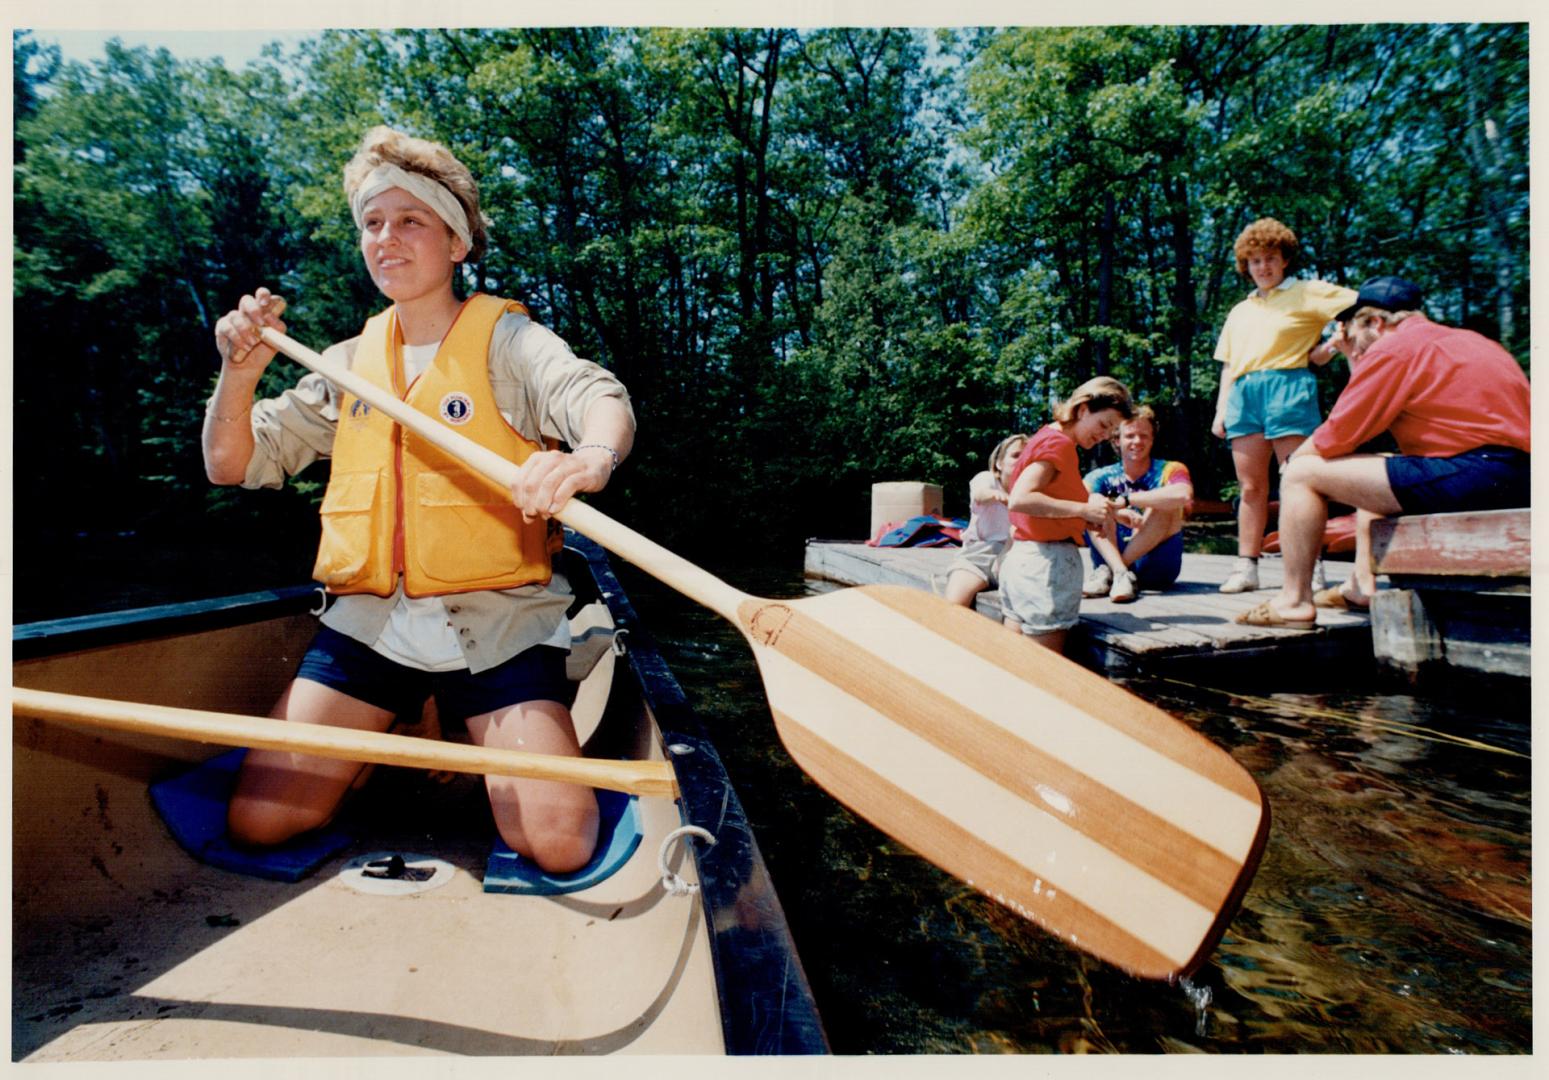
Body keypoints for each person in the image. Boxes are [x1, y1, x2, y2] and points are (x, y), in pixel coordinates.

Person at [203, 127, 636, 873]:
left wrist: (589, 459)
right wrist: (238, 373)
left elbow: (597, 397)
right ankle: (400, 730)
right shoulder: (344, 364)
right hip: (371, 632)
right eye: (372, 224)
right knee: (258, 825)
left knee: (559, 845)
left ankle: (490, 710)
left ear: (457, 242)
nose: (385, 238)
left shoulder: (509, 345)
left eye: (410, 221)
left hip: (497, 629)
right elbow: (229, 463)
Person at [1237, 276, 1530, 629]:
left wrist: (1291, 464)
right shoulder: (1473, 341)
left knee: (1303, 474)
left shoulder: (1395, 348)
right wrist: (1353, 355)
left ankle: (1294, 602)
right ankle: (1361, 586)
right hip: (1519, 475)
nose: (1356, 348)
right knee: (1376, 469)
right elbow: (1365, 417)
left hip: (1478, 475)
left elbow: (1337, 436)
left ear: (1375, 323)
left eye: (1355, 334)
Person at [1211, 218, 1356, 594]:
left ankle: (1312, 565)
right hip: (1244, 393)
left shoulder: (1307, 292)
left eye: (1270, 258)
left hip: (1289, 387)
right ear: (1246, 265)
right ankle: (1247, 567)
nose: (1263, 266)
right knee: (1250, 487)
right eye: (1255, 260)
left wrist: (1334, 342)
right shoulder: (1240, 311)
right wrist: (1220, 410)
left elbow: (1360, 303)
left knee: (1297, 481)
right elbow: (1229, 364)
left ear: (1285, 259)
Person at [1000, 377, 1133, 652]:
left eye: (1112, 431)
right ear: (1083, 409)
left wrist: (1107, 512)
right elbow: (1021, 498)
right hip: (1045, 568)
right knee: (1044, 671)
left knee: (1011, 663)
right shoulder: (1058, 444)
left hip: (1022, 561)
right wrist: (1083, 510)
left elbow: (1053, 499)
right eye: (1105, 424)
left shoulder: (1047, 436)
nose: (1105, 436)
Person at [1081, 405, 1194, 603]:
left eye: (1144, 435)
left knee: (1166, 503)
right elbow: (1078, 501)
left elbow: (1183, 494)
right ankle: (1120, 573)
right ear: (1116, 440)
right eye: (1130, 435)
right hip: (1108, 565)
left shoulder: (1170, 468)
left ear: (1152, 439)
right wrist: (1116, 513)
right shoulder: (1100, 476)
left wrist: (1126, 500)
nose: (1137, 441)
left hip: (1156, 569)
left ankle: (1117, 571)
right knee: (1092, 501)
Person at [942, 433, 1030, 608]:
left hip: (1012, 556)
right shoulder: (987, 479)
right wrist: (995, 495)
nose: (1021, 461)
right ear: (999, 463)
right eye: (1015, 455)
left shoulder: (1029, 491)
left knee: (1026, 603)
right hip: (978, 555)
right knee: (954, 603)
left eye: (1026, 457)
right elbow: (979, 494)